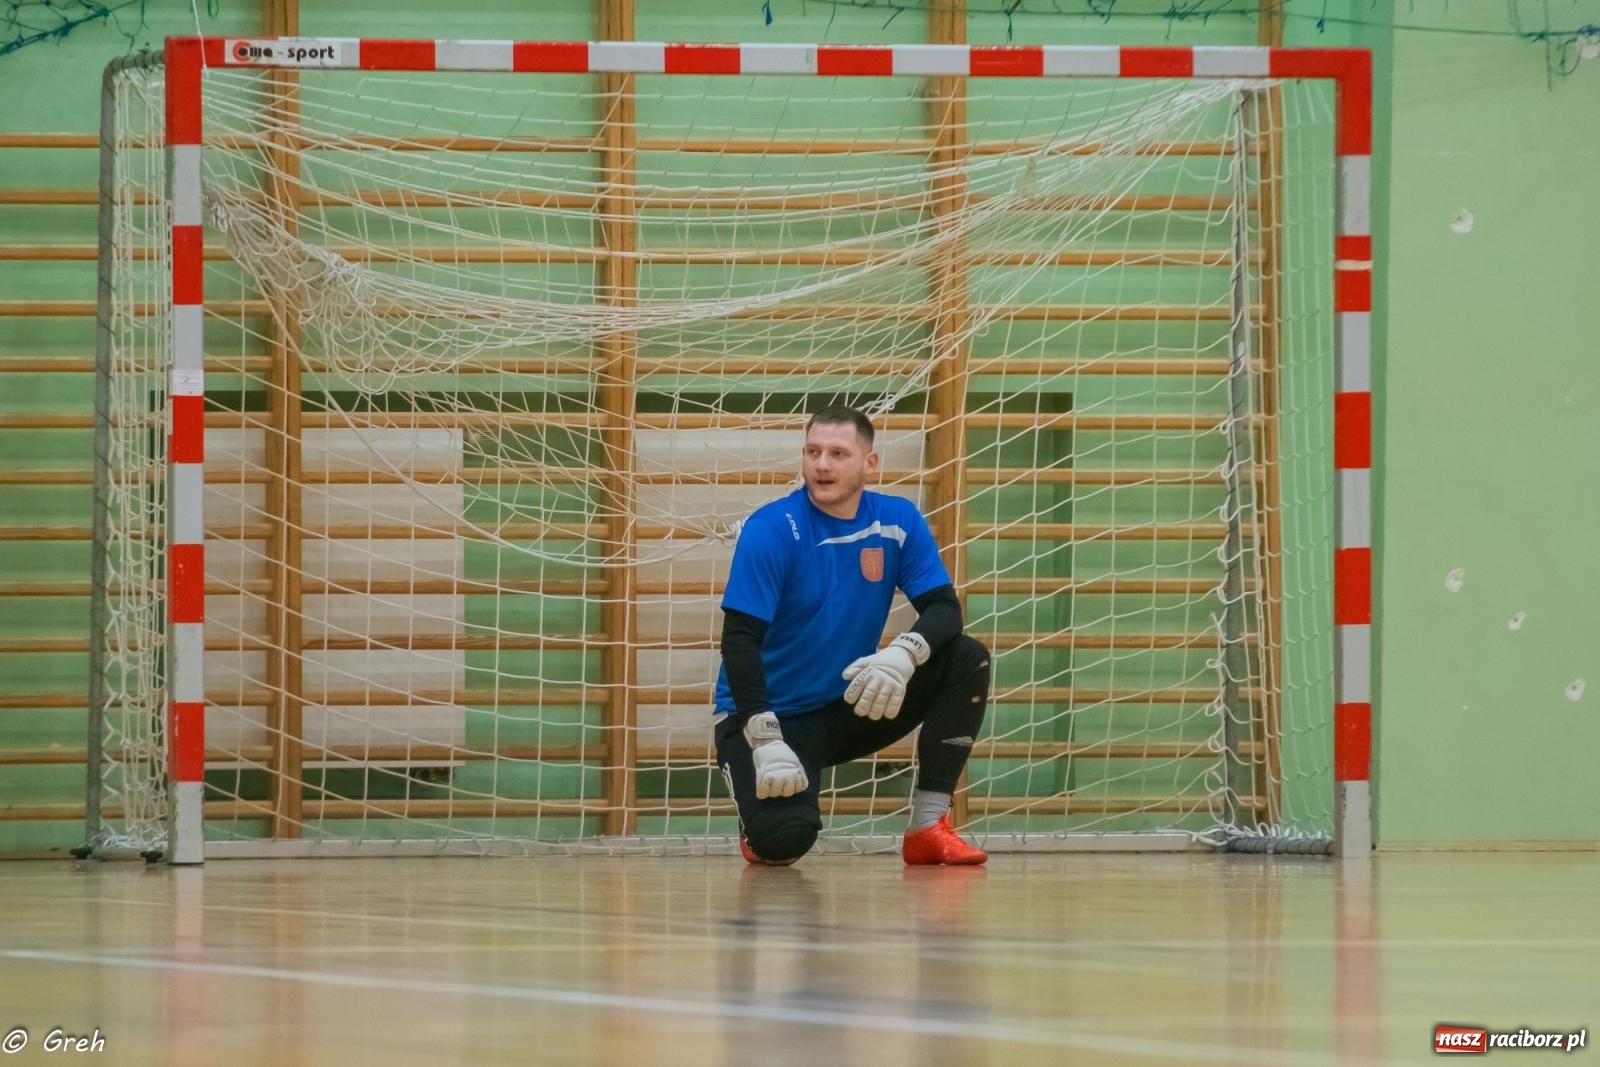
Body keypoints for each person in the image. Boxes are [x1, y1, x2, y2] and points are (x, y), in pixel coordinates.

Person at [713, 406, 990, 866]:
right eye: (813, 451)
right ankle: (758, 818)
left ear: (870, 463)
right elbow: (739, 640)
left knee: (965, 658)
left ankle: (927, 826)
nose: (822, 464)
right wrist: (763, 735)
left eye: (838, 453)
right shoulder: (772, 529)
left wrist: (902, 655)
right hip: (773, 717)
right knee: (782, 842)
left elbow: (945, 610)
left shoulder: (897, 521)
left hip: (851, 700)